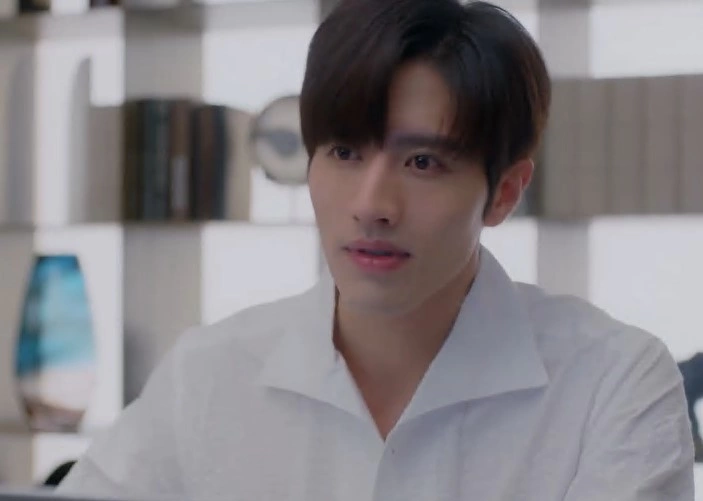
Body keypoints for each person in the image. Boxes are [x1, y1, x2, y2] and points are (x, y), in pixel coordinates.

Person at [58, 0, 694, 499]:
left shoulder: (614, 384)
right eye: (344, 152)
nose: (372, 205)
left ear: (503, 193)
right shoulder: (208, 374)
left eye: (423, 162)